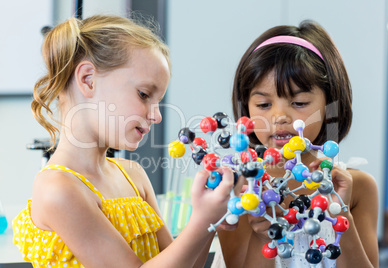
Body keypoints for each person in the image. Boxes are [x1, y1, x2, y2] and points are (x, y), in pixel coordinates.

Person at [12, 15, 234, 268]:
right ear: (88, 80)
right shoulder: (58, 189)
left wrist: (210, 221)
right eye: (144, 94)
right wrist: (202, 220)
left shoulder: (133, 175)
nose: (157, 115)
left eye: (158, 100)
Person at [215, 20, 379, 267]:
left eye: (299, 103)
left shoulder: (357, 187)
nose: (279, 117)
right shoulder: (238, 188)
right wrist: (264, 235)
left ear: (330, 105)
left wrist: (340, 213)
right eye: (263, 105)